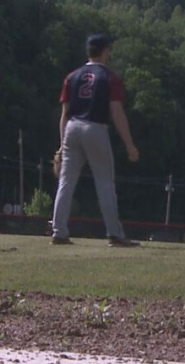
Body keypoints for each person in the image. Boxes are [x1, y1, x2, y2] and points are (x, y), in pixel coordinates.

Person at [51, 33, 140, 247]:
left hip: (72, 127)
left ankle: (58, 231)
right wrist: (129, 144)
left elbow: (64, 113)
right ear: (103, 50)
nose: (110, 53)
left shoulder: (72, 76)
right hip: (95, 127)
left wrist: (62, 145)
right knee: (104, 183)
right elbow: (117, 112)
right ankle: (114, 234)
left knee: (66, 181)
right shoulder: (109, 77)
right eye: (108, 49)